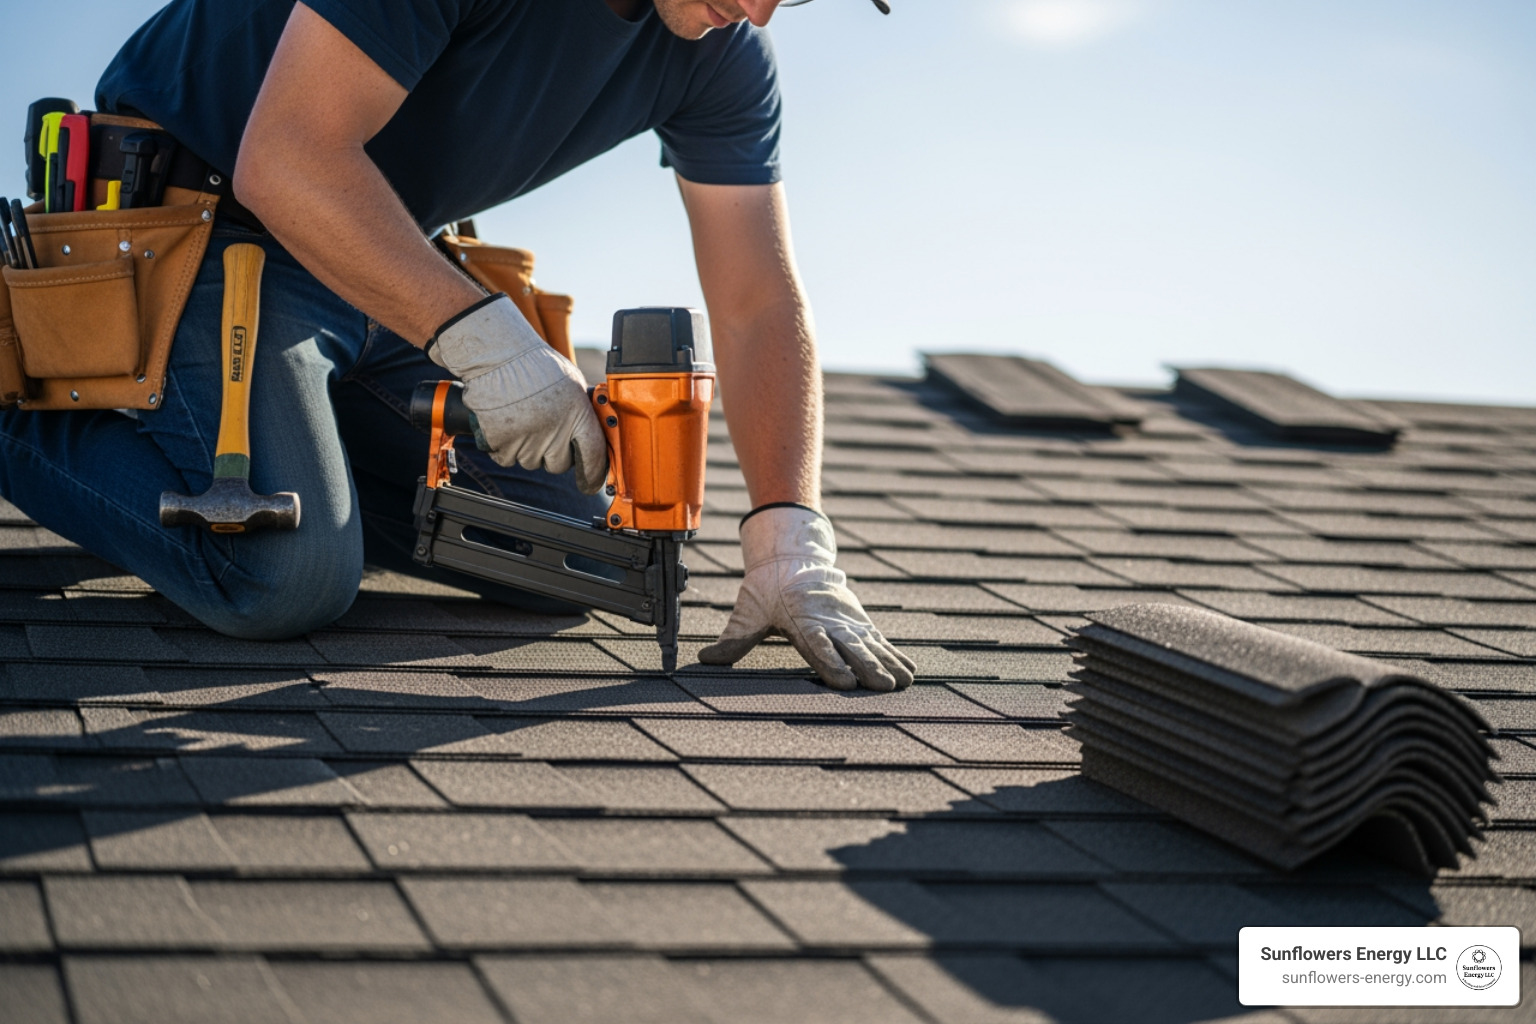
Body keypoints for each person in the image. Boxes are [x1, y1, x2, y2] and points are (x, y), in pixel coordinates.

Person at [0, 0, 914, 692]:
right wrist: (487, 340)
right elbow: (287, 158)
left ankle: (299, 461)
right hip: (204, 233)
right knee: (278, 574)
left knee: (587, 560)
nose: (757, 10)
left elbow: (756, 301)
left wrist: (790, 536)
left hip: (378, 266)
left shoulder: (723, 55)